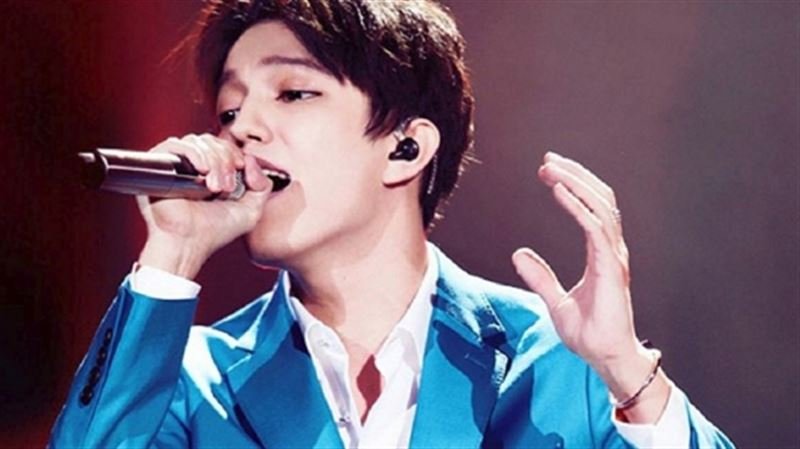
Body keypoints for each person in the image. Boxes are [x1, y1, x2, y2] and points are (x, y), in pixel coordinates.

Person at [50, 1, 733, 447]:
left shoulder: (559, 360)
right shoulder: (192, 377)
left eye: (292, 93)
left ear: (405, 148)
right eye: (229, 111)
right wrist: (172, 253)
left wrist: (626, 370)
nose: (242, 130)